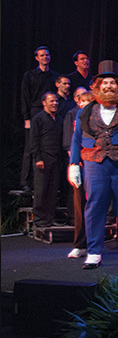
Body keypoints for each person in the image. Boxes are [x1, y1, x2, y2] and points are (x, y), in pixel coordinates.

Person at [67, 61, 118, 269]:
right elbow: (76, 137)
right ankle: (94, 251)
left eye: (112, 82)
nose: (108, 86)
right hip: (95, 163)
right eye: (104, 82)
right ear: (97, 86)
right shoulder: (87, 111)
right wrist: (73, 164)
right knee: (94, 207)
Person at [21, 46, 58, 192]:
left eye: (47, 55)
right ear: (37, 58)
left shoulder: (54, 75)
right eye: (42, 55)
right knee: (30, 147)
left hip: (50, 113)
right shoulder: (29, 75)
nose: (45, 58)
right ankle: (25, 181)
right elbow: (24, 97)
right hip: (35, 111)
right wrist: (26, 118)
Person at [64, 89, 93, 258]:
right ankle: (80, 244)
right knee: (79, 203)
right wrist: (73, 163)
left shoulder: (101, 113)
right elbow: (74, 140)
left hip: (98, 164)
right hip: (82, 164)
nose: (84, 105)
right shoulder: (78, 115)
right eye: (82, 101)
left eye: (87, 101)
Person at [30, 92, 63, 227]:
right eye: (51, 101)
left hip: (56, 159)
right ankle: (39, 219)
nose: (55, 103)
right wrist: (38, 158)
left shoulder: (59, 119)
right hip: (43, 159)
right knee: (41, 190)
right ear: (44, 103)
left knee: (53, 190)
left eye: (56, 101)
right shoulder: (38, 119)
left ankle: (49, 218)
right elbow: (34, 140)